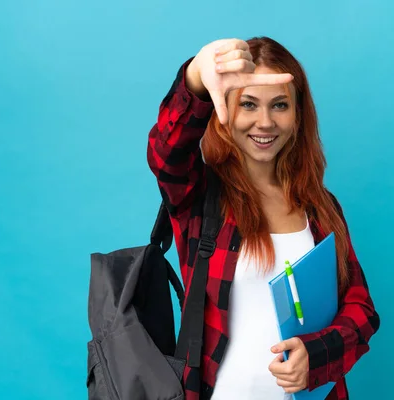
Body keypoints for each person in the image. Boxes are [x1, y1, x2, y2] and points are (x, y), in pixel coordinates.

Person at [147, 37, 380, 400]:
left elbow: (361, 308)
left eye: (280, 105)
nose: (265, 122)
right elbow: (165, 152)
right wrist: (195, 76)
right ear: (225, 110)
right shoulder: (200, 195)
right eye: (249, 104)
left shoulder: (320, 206)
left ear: (298, 113)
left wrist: (316, 355)